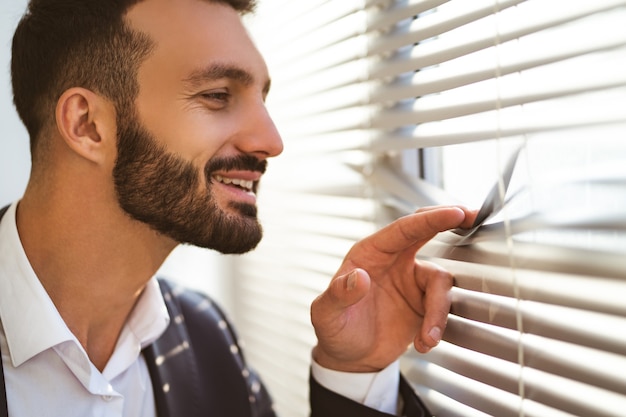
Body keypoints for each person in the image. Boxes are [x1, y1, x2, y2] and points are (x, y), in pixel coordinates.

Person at [0, 0, 476, 416]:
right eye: (217, 96)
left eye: (260, 98)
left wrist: (354, 373)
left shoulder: (206, 341)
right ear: (87, 125)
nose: (270, 142)